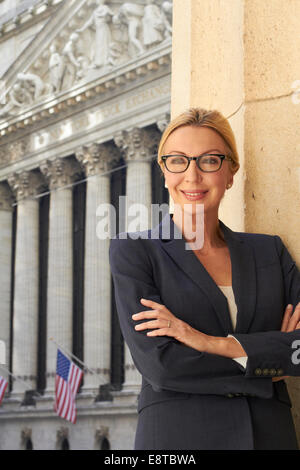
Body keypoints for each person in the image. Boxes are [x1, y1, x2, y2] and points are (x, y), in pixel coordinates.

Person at [109, 108, 300, 450]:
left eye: (210, 160)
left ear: (230, 172)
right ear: (164, 172)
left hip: (269, 437)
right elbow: (162, 366)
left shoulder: (270, 252)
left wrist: (205, 341)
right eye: (178, 161)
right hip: (178, 439)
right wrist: (267, 363)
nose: (192, 176)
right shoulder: (135, 251)